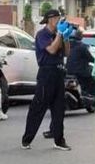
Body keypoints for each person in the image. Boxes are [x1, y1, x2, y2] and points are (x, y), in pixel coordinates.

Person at [21, 9, 73, 151]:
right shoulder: (42, 35)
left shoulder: (59, 34)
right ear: (51, 19)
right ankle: (27, 139)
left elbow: (67, 52)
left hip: (58, 72)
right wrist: (60, 35)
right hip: (46, 73)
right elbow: (51, 50)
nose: (59, 21)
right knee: (39, 107)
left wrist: (66, 38)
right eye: (57, 18)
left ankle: (59, 140)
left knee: (59, 109)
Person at [66, 28, 95, 97]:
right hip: (80, 72)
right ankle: (91, 96)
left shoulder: (68, 45)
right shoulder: (82, 46)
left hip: (69, 71)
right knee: (93, 81)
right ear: (80, 36)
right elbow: (90, 58)